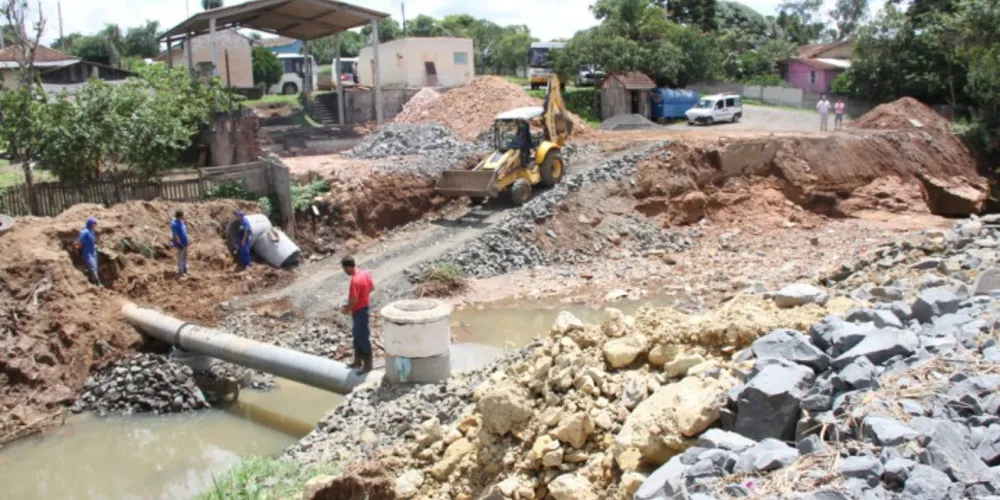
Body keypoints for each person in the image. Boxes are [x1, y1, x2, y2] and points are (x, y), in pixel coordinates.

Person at [341, 256, 374, 374]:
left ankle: (368, 365)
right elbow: (372, 287)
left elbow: (354, 300)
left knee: (362, 338)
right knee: (356, 336)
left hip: (360, 312)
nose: (344, 271)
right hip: (362, 309)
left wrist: (346, 309)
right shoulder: (365, 273)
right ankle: (357, 360)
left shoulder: (355, 280)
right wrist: (364, 298)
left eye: (344, 269)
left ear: (348, 267)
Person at [76, 217, 101, 286]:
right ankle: (97, 284)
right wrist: (79, 250)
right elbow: (79, 243)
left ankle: (94, 283)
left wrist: (94, 246)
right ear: (90, 224)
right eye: (94, 223)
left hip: (93, 253)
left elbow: (91, 241)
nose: (95, 225)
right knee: (92, 268)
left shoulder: (92, 231)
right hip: (87, 254)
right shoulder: (85, 232)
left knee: (95, 268)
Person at [172, 209, 190, 276]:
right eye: (183, 215)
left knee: (185, 256)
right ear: (180, 216)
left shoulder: (182, 222)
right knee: (180, 257)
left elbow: (184, 232)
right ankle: (180, 271)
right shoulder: (175, 224)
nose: (184, 216)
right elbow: (175, 235)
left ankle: (185, 269)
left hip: (185, 242)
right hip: (180, 243)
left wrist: (188, 239)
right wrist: (179, 244)